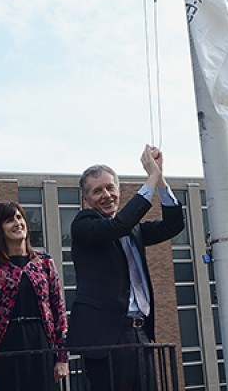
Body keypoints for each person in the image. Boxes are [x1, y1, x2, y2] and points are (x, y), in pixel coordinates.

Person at [67, 145, 185, 391]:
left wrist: (160, 179)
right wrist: (149, 179)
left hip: (139, 332)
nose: (107, 195)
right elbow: (116, 226)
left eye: (111, 188)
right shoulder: (83, 224)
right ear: (85, 199)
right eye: (97, 191)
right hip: (105, 338)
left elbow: (173, 225)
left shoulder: (133, 229)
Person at [0, 201, 69, 391]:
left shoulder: (44, 262)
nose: (17, 223)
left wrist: (62, 357)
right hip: (6, 346)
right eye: (9, 220)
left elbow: (58, 310)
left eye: (19, 217)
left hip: (41, 342)